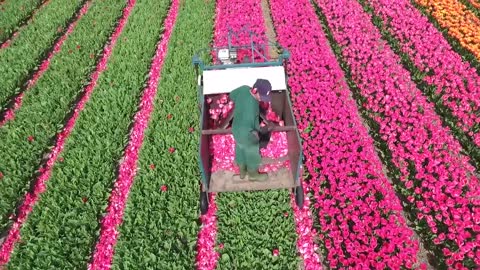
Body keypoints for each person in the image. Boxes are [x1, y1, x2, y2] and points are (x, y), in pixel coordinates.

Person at [229, 79, 273, 181]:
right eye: (261, 96)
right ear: (255, 90)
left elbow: (232, 95)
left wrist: (241, 104)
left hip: (236, 129)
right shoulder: (252, 106)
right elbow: (248, 126)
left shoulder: (244, 89)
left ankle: (242, 172)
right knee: (252, 151)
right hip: (247, 132)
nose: (261, 99)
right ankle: (253, 175)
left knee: (240, 147)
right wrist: (255, 134)